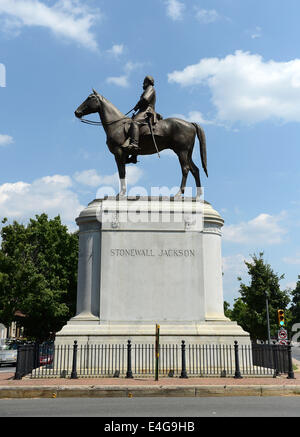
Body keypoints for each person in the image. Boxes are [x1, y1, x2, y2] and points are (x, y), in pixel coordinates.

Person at [125, 75, 157, 154]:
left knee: (135, 122)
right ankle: (134, 155)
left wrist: (137, 105)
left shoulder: (150, 88)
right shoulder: (147, 89)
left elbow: (145, 99)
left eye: (144, 82)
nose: (143, 84)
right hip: (143, 110)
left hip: (147, 111)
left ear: (148, 82)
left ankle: (134, 144)